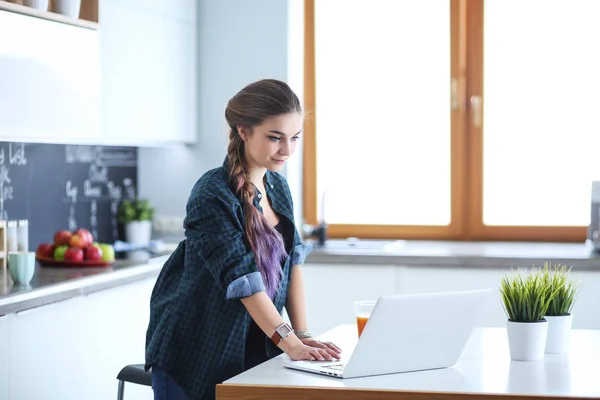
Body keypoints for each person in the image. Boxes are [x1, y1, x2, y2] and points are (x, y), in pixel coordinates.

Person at [144, 79, 342, 400]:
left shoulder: (278, 187)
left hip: (254, 348)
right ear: (244, 131)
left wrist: (301, 335)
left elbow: (293, 266)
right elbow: (243, 280)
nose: (287, 150)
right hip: (196, 350)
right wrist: (289, 342)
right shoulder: (212, 193)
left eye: (294, 138)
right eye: (275, 137)